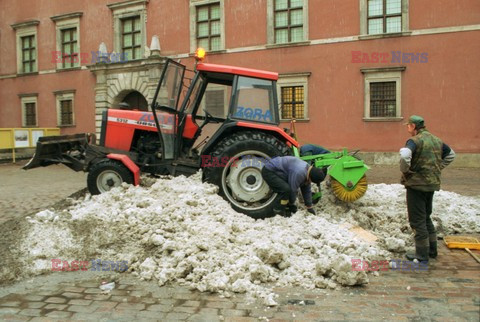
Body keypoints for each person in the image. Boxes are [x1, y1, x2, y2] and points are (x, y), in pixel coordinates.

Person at [399, 115, 455, 263]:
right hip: (431, 184)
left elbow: (405, 155)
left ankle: (421, 254)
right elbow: (451, 155)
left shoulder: (414, 141)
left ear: (412, 126)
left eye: (408, 126)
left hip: (417, 184)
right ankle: (432, 249)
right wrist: (436, 168)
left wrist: (405, 170)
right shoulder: (437, 140)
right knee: (426, 217)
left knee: (417, 220)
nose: (407, 128)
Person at [261, 156, 326, 217]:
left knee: (287, 192)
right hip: (269, 171)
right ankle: (278, 210)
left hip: (279, 172)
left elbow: (306, 189)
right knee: (285, 190)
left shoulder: (308, 170)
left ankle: (284, 207)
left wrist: (309, 206)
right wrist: (291, 204)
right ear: (311, 178)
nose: (309, 183)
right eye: (310, 181)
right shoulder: (299, 172)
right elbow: (292, 190)